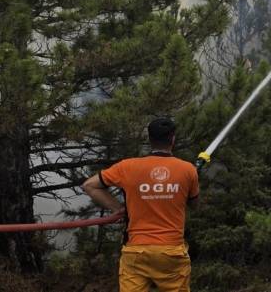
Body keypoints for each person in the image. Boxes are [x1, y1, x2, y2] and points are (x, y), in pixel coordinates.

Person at [82, 117, 200, 292]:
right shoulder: (188, 169)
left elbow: (89, 185)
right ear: (173, 139)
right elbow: (194, 205)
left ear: (150, 139)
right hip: (171, 252)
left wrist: (119, 209)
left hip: (136, 251)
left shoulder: (127, 167)